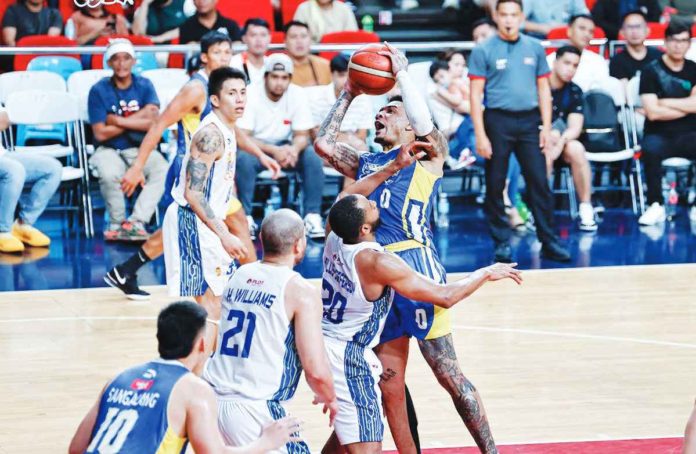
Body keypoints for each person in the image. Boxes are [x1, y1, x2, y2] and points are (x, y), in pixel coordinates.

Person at [316, 42, 500, 454]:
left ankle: (492, 451)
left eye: (391, 110)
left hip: (416, 265)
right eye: (380, 110)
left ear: (410, 127)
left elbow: (425, 121)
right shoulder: (365, 163)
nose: (381, 113)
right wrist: (349, 92)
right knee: (390, 382)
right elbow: (324, 145)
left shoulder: (426, 155)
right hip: (379, 275)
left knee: (449, 375)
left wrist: (403, 77)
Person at [320, 192, 522, 451]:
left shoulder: (334, 237)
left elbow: (342, 199)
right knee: (367, 445)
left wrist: (391, 168)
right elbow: (445, 296)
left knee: (349, 431)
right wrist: (484, 273)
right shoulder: (377, 261)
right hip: (349, 355)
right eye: (368, 205)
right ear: (365, 228)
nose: (374, 202)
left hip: (327, 343)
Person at [107, 32, 279, 300]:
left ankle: (127, 269)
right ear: (204, 57)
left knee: (182, 227)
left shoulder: (224, 91)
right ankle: (258, 283)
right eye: (218, 52)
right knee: (224, 221)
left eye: (227, 51)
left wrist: (260, 154)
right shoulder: (196, 89)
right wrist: (137, 166)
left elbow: (234, 131)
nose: (223, 56)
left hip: (215, 166)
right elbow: (159, 124)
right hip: (191, 167)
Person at [68, 301, 301, 454]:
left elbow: (76, 449)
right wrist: (266, 442)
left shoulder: (119, 378)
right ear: (202, 344)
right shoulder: (194, 390)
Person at [203, 209, 337, 452]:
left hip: (211, 399)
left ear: (262, 240)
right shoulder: (300, 291)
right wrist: (332, 397)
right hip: (255, 407)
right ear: (299, 245)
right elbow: (314, 368)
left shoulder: (239, 275)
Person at [469, 0, 571, 263]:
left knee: (539, 182)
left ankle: (549, 241)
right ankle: (501, 243)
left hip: (529, 122)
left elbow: (544, 90)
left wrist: (546, 127)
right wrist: (480, 134)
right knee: (495, 184)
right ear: (496, 16)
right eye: (504, 14)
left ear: (522, 17)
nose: (509, 20)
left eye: (514, 15)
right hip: (497, 121)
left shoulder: (535, 48)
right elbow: (475, 95)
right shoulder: (483, 50)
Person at [162, 67, 250, 330]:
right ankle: (205, 368)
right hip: (191, 220)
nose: (240, 99)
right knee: (212, 306)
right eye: (232, 93)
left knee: (219, 302)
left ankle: (209, 364)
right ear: (215, 99)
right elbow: (193, 193)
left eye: (243, 93)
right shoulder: (210, 135)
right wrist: (224, 234)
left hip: (205, 220)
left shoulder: (228, 128)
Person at [236, 53, 326, 239]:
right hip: (257, 147)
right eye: (275, 77)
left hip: (286, 147)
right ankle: (245, 218)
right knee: (243, 159)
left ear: (290, 79)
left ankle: (312, 216)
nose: (279, 82)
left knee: (311, 155)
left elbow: (302, 135)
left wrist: (293, 149)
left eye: (284, 78)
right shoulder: (250, 92)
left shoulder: (297, 93)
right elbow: (243, 137)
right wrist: (273, 151)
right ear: (265, 76)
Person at [88, 39, 167, 242]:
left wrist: (117, 121)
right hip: (108, 149)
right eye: (115, 59)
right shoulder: (98, 90)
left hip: (141, 147)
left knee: (163, 170)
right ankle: (116, 223)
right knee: (108, 173)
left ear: (133, 61)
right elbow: (100, 134)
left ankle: (136, 222)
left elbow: (154, 123)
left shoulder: (145, 85)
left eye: (126, 58)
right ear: (109, 63)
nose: (121, 63)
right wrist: (139, 117)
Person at [638, 20, 696, 226]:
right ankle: (656, 205)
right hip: (658, 133)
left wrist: (664, 102)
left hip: (690, 133)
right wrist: (686, 105)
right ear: (665, 42)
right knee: (650, 149)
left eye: (683, 41)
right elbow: (652, 113)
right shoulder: (650, 71)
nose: (678, 45)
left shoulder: (694, 69)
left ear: (689, 43)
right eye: (674, 40)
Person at [545, 46, 597, 231]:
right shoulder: (538, 85)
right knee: (546, 153)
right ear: (555, 61)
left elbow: (575, 127)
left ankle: (586, 207)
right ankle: (541, 211)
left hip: (563, 142)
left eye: (575, 65)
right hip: (538, 139)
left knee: (577, 149)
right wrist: (550, 138)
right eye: (567, 63)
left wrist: (560, 140)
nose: (571, 69)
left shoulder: (575, 90)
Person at [0, 108, 61, 254]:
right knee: (14, 170)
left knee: (53, 168)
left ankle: (22, 224)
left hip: (3, 155)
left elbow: (4, 120)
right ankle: (2, 230)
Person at [309, 54, 372, 151]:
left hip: (352, 149)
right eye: (341, 75)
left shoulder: (363, 98)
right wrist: (349, 137)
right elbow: (315, 134)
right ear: (331, 74)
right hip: (323, 148)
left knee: (362, 149)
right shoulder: (316, 96)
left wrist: (331, 135)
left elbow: (361, 136)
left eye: (350, 76)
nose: (346, 81)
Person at [547, 14, 609, 92]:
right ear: (569, 31)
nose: (587, 34)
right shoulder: (551, 59)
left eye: (591, 31)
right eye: (582, 28)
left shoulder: (598, 61)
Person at [610, 10, 663, 82]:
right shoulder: (616, 61)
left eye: (638, 26)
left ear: (647, 31)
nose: (634, 31)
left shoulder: (659, 57)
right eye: (630, 27)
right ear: (622, 32)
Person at [284, 21, 332, 87]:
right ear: (285, 42)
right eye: (293, 37)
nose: (299, 41)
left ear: (310, 40)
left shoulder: (325, 65)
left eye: (303, 36)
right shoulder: (279, 68)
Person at [591, 0, 661, 40]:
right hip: (613, 38)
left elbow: (655, 18)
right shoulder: (605, 2)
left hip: (645, 39)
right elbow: (597, 20)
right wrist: (618, 32)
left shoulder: (649, 1)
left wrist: (640, 30)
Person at [293, 0, 358, 43]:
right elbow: (296, 38)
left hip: (340, 54)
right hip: (312, 53)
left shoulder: (344, 8)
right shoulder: (303, 8)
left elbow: (352, 37)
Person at [231, 18, 271, 85]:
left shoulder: (272, 64)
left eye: (263, 35)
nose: (259, 40)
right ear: (244, 38)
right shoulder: (233, 63)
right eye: (253, 35)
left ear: (269, 38)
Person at [522, 0, 589, 38]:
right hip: (539, 38)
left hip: (567, 39)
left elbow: (585, 19)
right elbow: (517, 22)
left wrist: (570, 28)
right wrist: (540, 28)